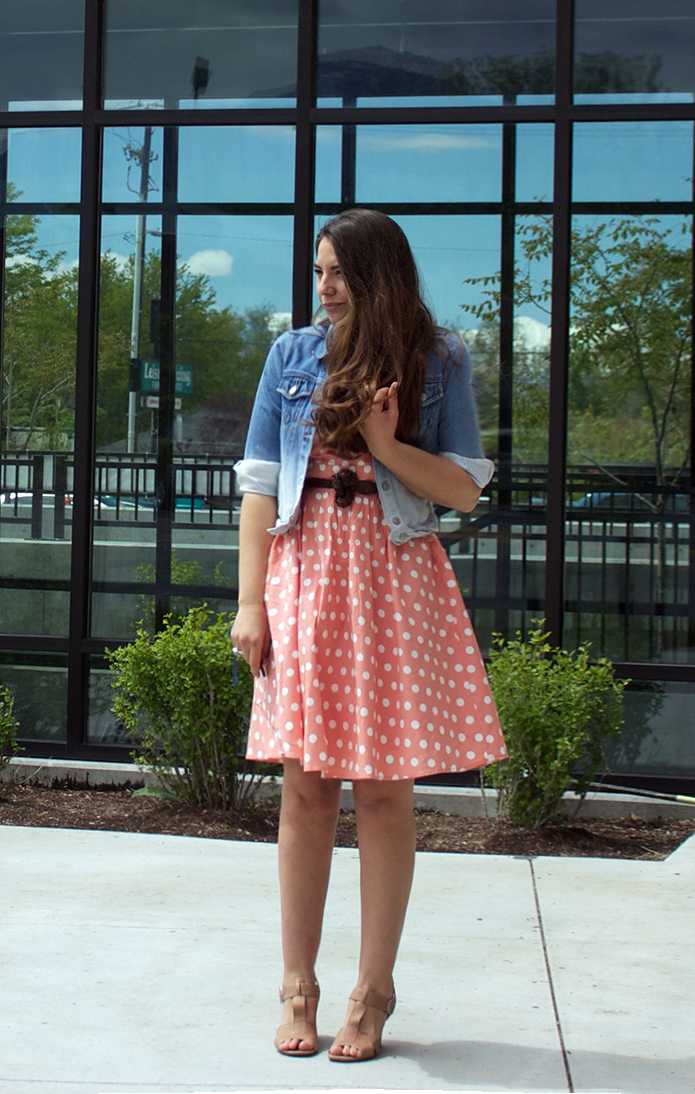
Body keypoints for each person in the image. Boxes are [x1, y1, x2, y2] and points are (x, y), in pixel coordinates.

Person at [231, 208, 507, 1062]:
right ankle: (297, 984)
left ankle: (372, 991)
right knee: (305, 788)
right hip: (306, 574)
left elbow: (463, 491)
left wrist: (385, 444)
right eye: (318, 271)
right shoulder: (291, 356)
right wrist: (250, 603)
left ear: (378, 273)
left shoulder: (440, 357)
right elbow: (260, 486)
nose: (324, 287)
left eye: (338, 272)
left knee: (386, 792)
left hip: (392, 576)